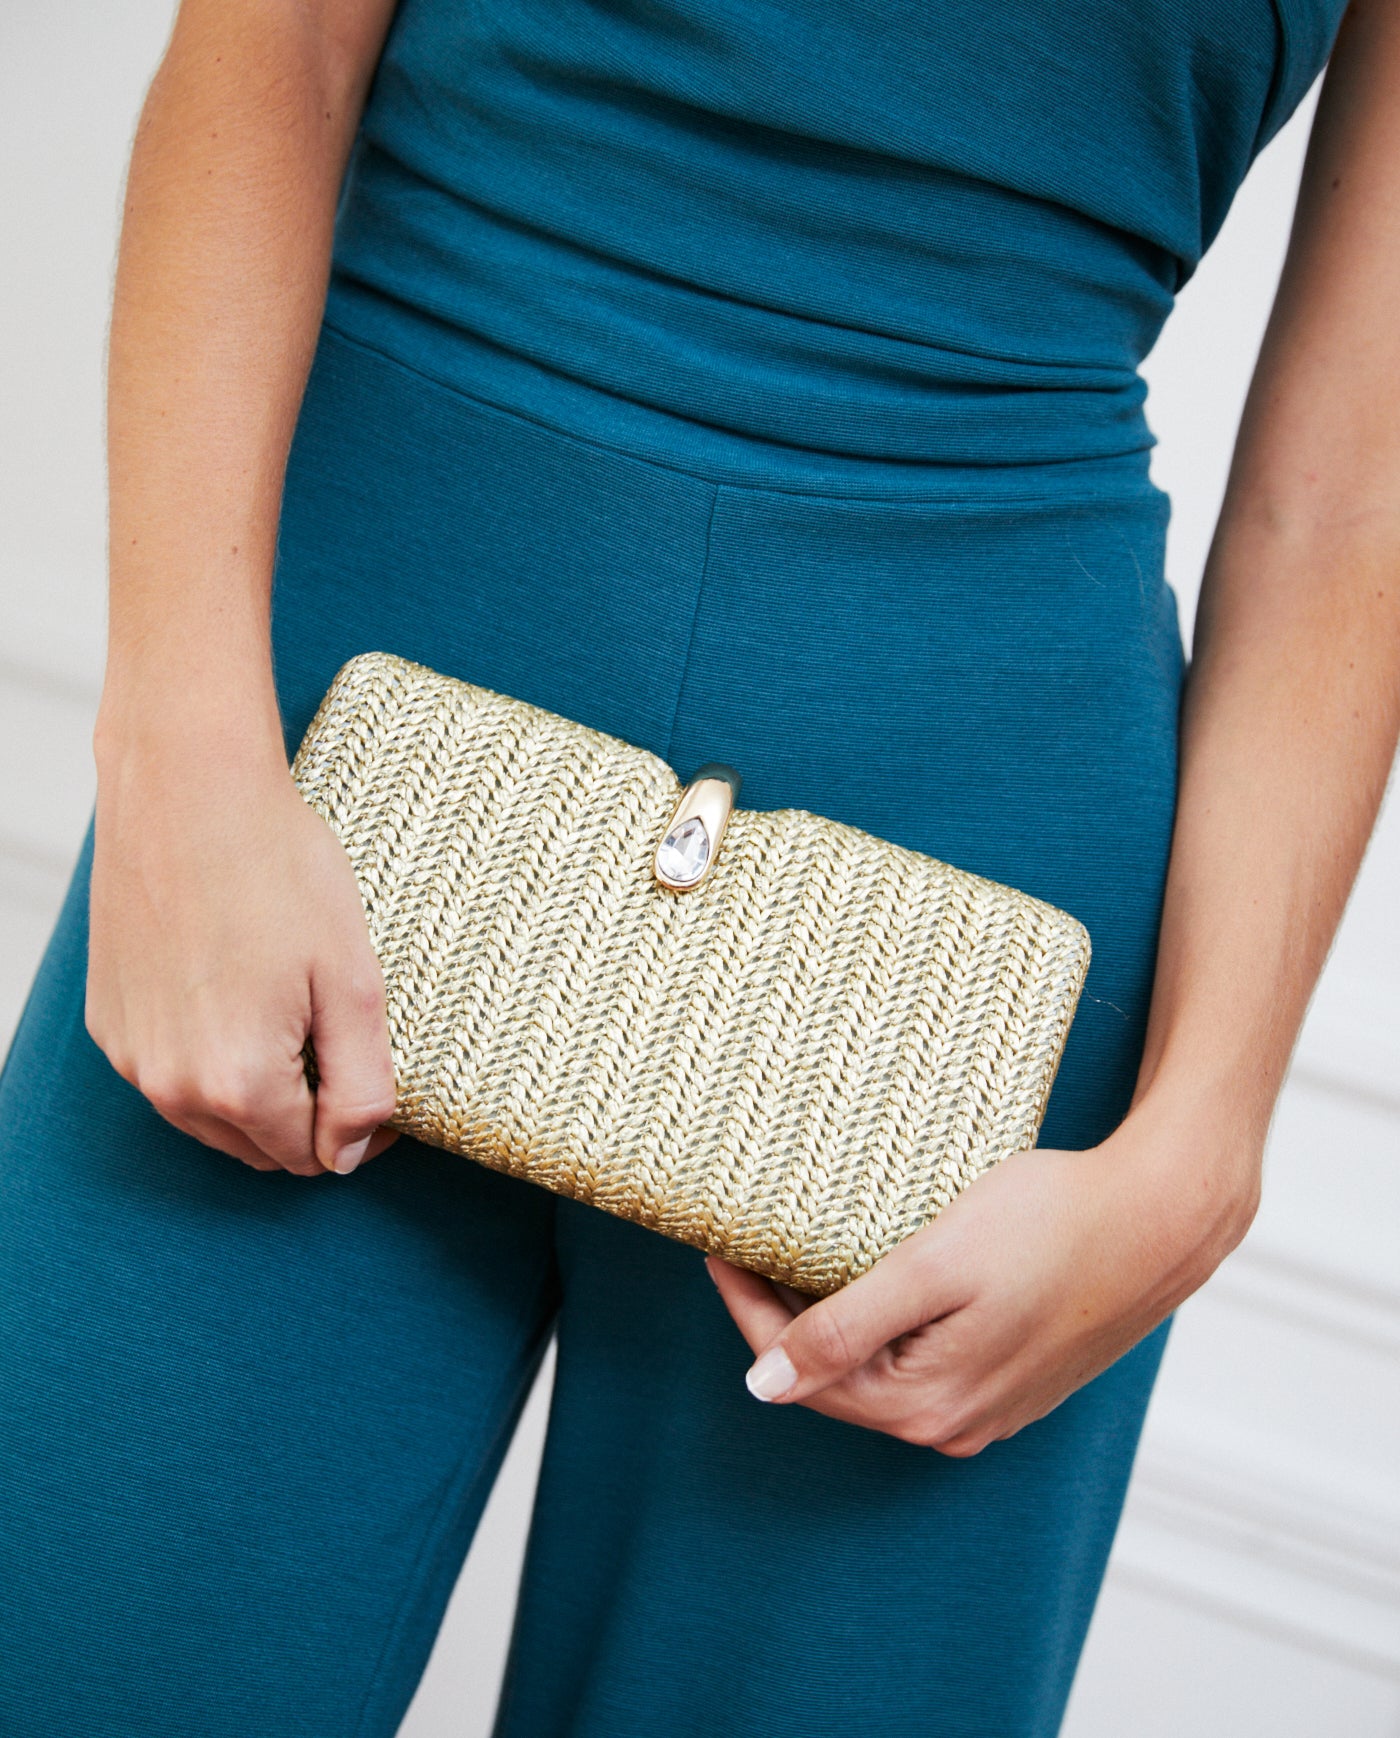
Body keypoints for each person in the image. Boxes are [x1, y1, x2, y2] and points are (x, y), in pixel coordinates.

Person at [1, 0, 1397, 1731]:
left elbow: (1353, 494)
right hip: (315, 759)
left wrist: (1199, 1154)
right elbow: (271, 47)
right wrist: (177, 750)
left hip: (965, 925)